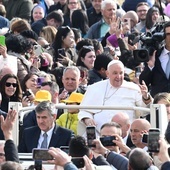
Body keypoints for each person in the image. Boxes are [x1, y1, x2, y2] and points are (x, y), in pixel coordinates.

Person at [78, 60, 152, 135]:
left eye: (121, 73)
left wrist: (145, 97)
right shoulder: (95, 88)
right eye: (115, 73)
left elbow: (144, 112)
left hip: (126, 135)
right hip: (99, 134)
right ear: (107, 73)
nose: (118, 77)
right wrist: (87, 119)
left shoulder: (133, 88)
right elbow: (84, 110)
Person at [139, 21, 170, 97]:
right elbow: (143, 82)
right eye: (169, 34)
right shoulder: (155, 55)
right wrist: (150, 66)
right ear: (163, 36)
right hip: (158, 103)